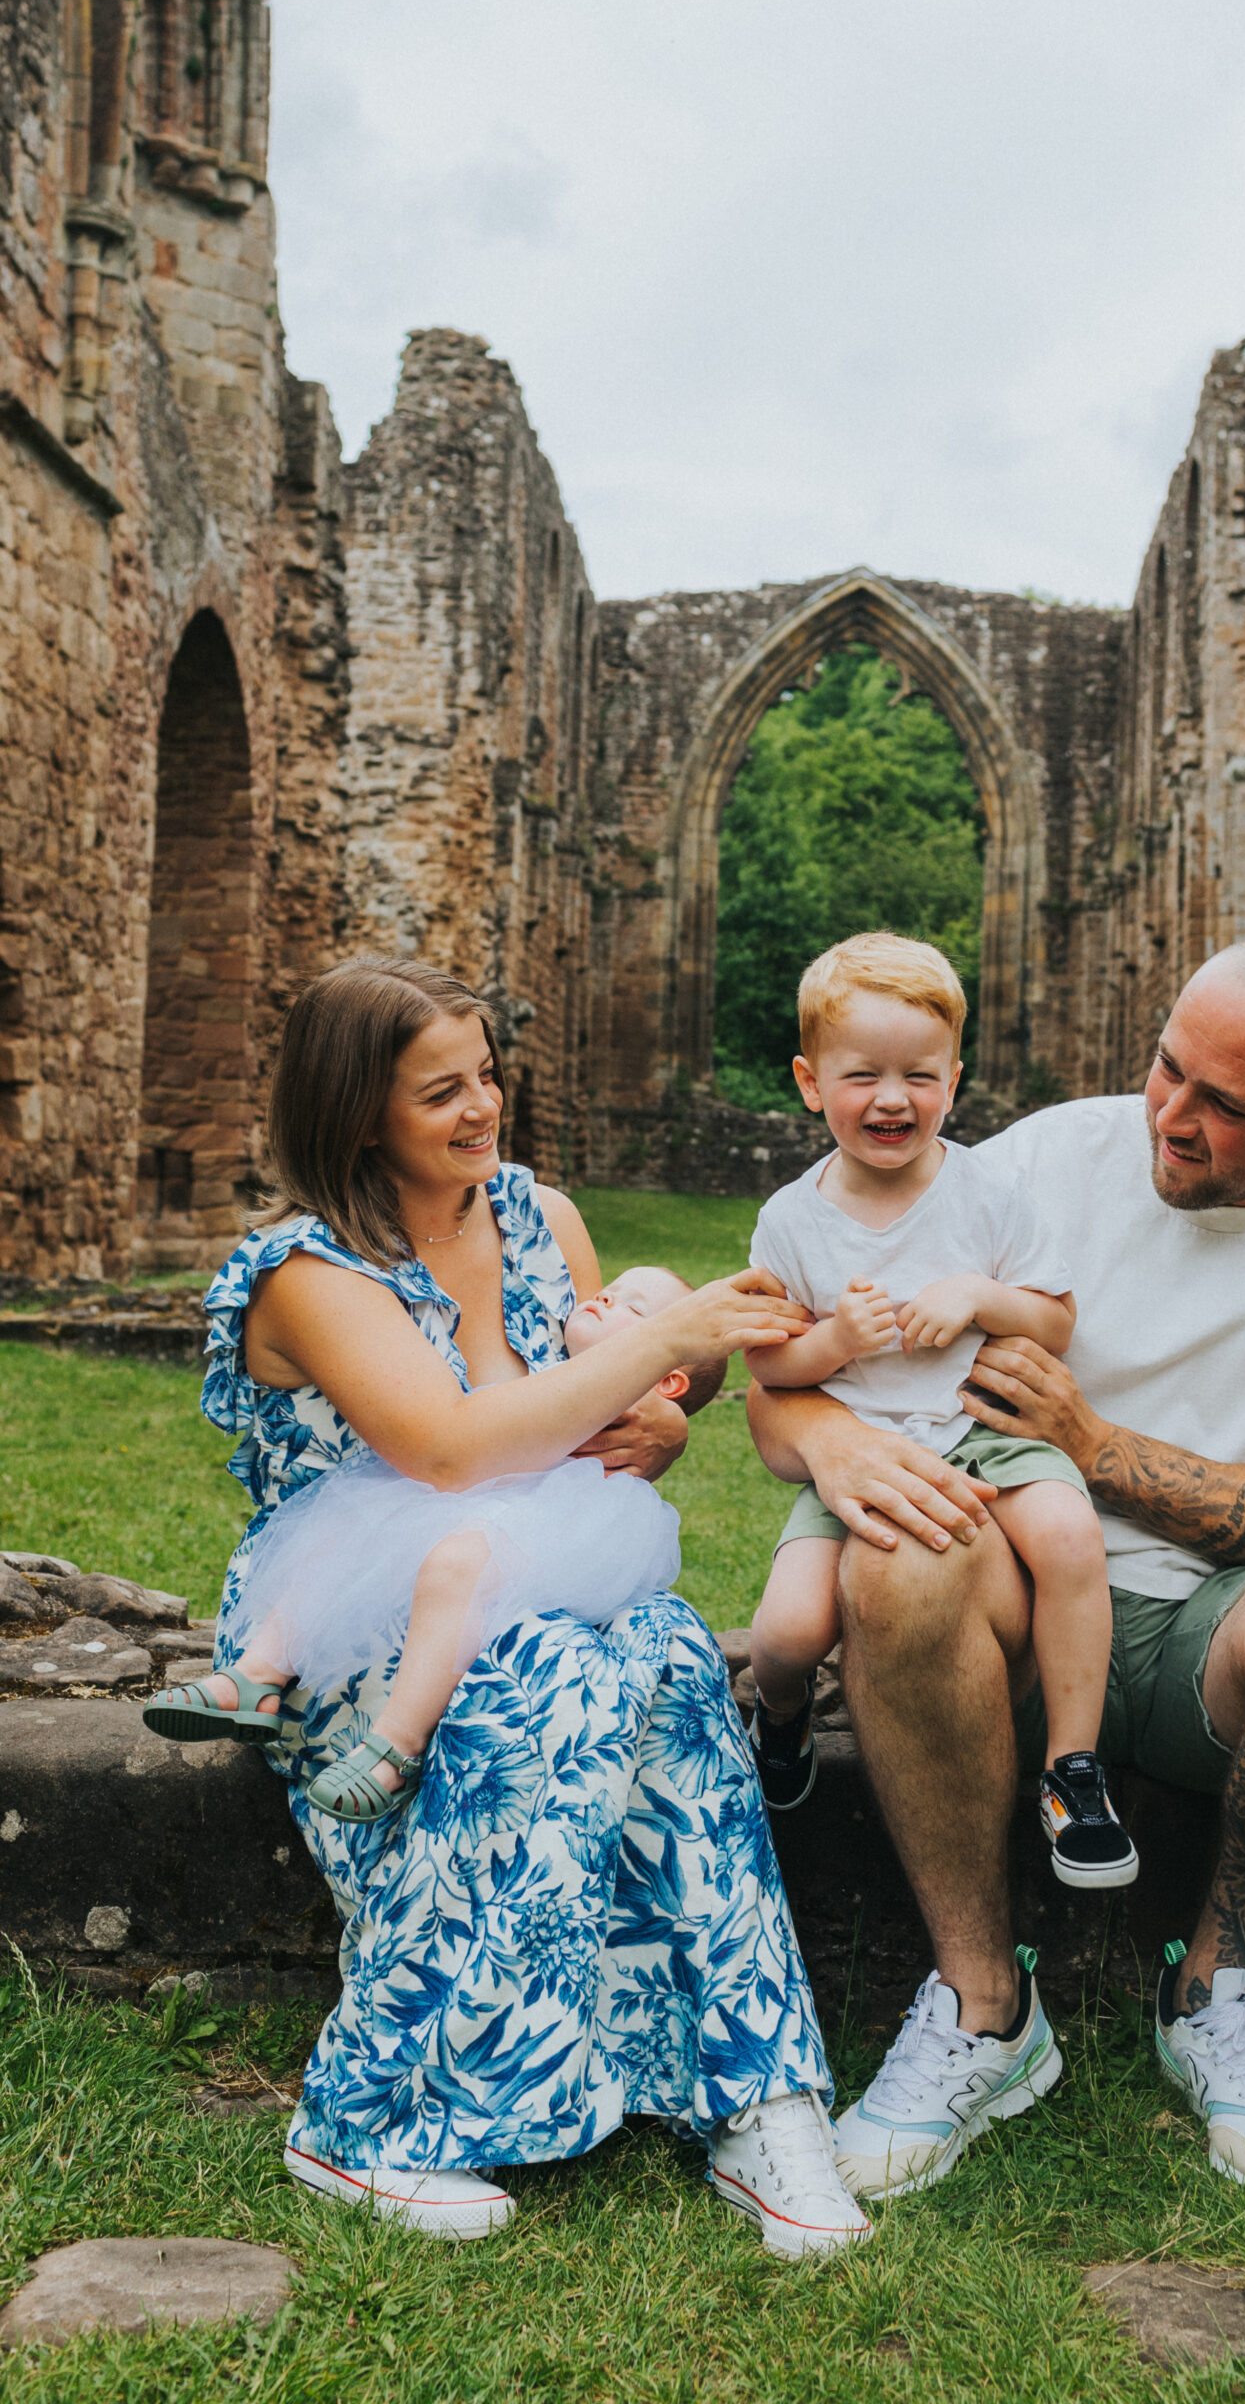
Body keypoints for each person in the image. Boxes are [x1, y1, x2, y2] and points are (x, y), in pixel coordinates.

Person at [747, 935, 1245, 2199]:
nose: (1170, 1120)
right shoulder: (1033, 1162)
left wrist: (1092, 1445)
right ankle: (984, 2005)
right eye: (1164, 1069)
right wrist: (824, 1434)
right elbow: (787, 1375)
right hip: (1015, 1609)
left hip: (1216, 1627)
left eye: (1223, 1105)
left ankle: (1215, 1991)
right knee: (901, 1550)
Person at [188, 955, 872, 2257]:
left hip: (551, 1563)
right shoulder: (306, 1271)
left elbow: (588, 1409)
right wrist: (663, 1343)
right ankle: (371, 2119)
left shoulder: (538, 1216)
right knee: (551, 1672)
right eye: (440, 1091)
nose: (482, 1107)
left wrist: (653, 1431)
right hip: (360, 1617)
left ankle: (754, 2093)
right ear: (354, 1116)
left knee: (667, 1655)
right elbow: (447, 1448)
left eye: (487, 1075)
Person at [742, 933, 1136, 1889]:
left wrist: (977, 1295)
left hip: (984, 1434)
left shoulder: (992, 1195)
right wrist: (835, 1341)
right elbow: (769, 1361)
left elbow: (1055, 1321)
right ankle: (784, 1715)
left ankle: (1072, 1770)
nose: (892, 1098)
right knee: (786, 1632)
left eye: (920, 1075)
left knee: (1073, 1540)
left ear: (954, 1081)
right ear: (809, 1081)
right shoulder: (792, 1219)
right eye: (861, 1075)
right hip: (863, 1455)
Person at [145, 1266, 713, 1825]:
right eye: (610, 1291)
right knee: (347, 1521)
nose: (606, 1300)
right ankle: (255, 1677)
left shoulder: (625, 1397)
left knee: (457, 1566)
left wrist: (665, 1417)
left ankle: (396, 1746)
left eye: (633, 1308)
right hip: (471, 1497)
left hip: (558, 1520)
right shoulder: (562, 1367)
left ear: (667, 1382)